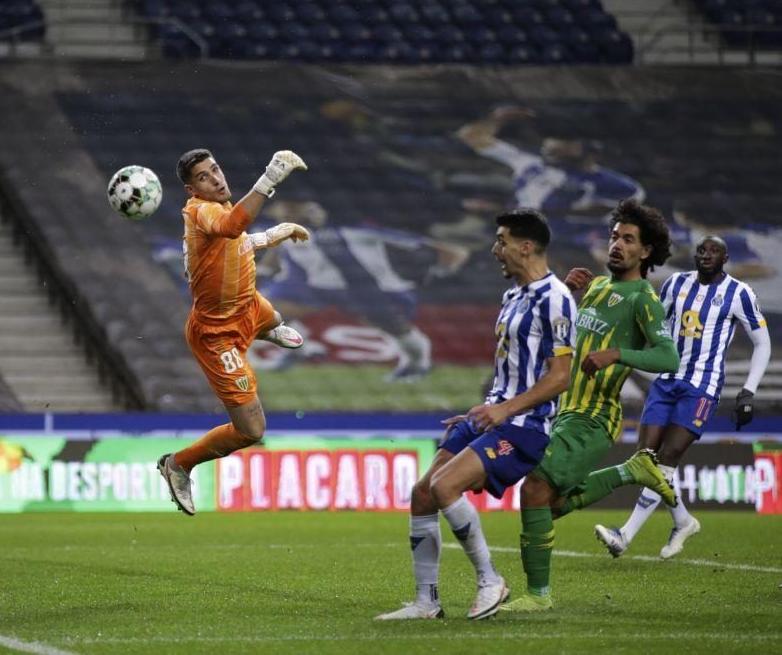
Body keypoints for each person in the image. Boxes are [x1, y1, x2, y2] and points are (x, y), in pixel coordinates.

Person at [376, 209, 576, 621]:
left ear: (526, 246)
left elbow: (560, 378)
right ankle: (426, 602)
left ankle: (490, 581)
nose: (495, 250)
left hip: (524, 426)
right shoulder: (513, 296)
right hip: (493, 415)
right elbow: (512, 369)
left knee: (446, 487)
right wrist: (484, 409)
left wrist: (503, 409)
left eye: (501, 241)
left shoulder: (556, 298)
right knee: (422, 493)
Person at [502, 199, 681, 614]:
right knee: (544, 504)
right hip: (563, 412)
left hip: (593, 418)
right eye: (614, 236)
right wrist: (566, 290)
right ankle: (630, 470)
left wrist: (616, 354)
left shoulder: (643, 298)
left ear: (646, 251)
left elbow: (668, 358)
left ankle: (538, 596)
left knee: (533, 491)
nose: (616, 245)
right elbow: (567, 340)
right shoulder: (599, 287)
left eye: (628, 239)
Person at [593, 235, 770, 559]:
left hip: (701, 387)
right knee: (645, 458)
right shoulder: (676, 284)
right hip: (666, 380)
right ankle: (683, 520)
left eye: (713, 250)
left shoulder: (739, 293)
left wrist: (748, 391)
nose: (706, 254)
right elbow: (656, 325)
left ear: (725, 258)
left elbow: (763, 342)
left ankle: (625, 535)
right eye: (702, 249)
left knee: (668, 456)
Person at [157, 149, 311, 516]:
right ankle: (178, 464)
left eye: (215, 170)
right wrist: (270, 178)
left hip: (249, 308)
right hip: (218, 334)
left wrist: (277, 233)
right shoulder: (201, 211)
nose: (215, 179)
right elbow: (232, 229)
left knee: (273, 318)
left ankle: (267, 329)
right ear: (191, 189)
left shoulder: (221, 209)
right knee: (252, 431)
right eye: (203, 177)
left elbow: (241, 242)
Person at [257, 199, 470, 381]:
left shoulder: (359, 231)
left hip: (366, 290)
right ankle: (299, 352)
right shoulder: (285, 235)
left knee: (395, 328)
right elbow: (274, 258)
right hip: (314, 289)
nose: (290, 213)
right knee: (262, 312)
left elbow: (452, 252)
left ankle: (418, 364)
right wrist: (261, 272)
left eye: (302, 208)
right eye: (286, 208)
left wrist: (441, 273)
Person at [456, 106, 645, 216]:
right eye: (551, 143)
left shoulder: (615, 184)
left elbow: (625, 211)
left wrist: (571, 206)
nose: (553, 148)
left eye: (565, 143)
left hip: (562, 243)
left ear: (591, 150)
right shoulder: (529, 161)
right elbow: (470, 136)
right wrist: (498, 118)